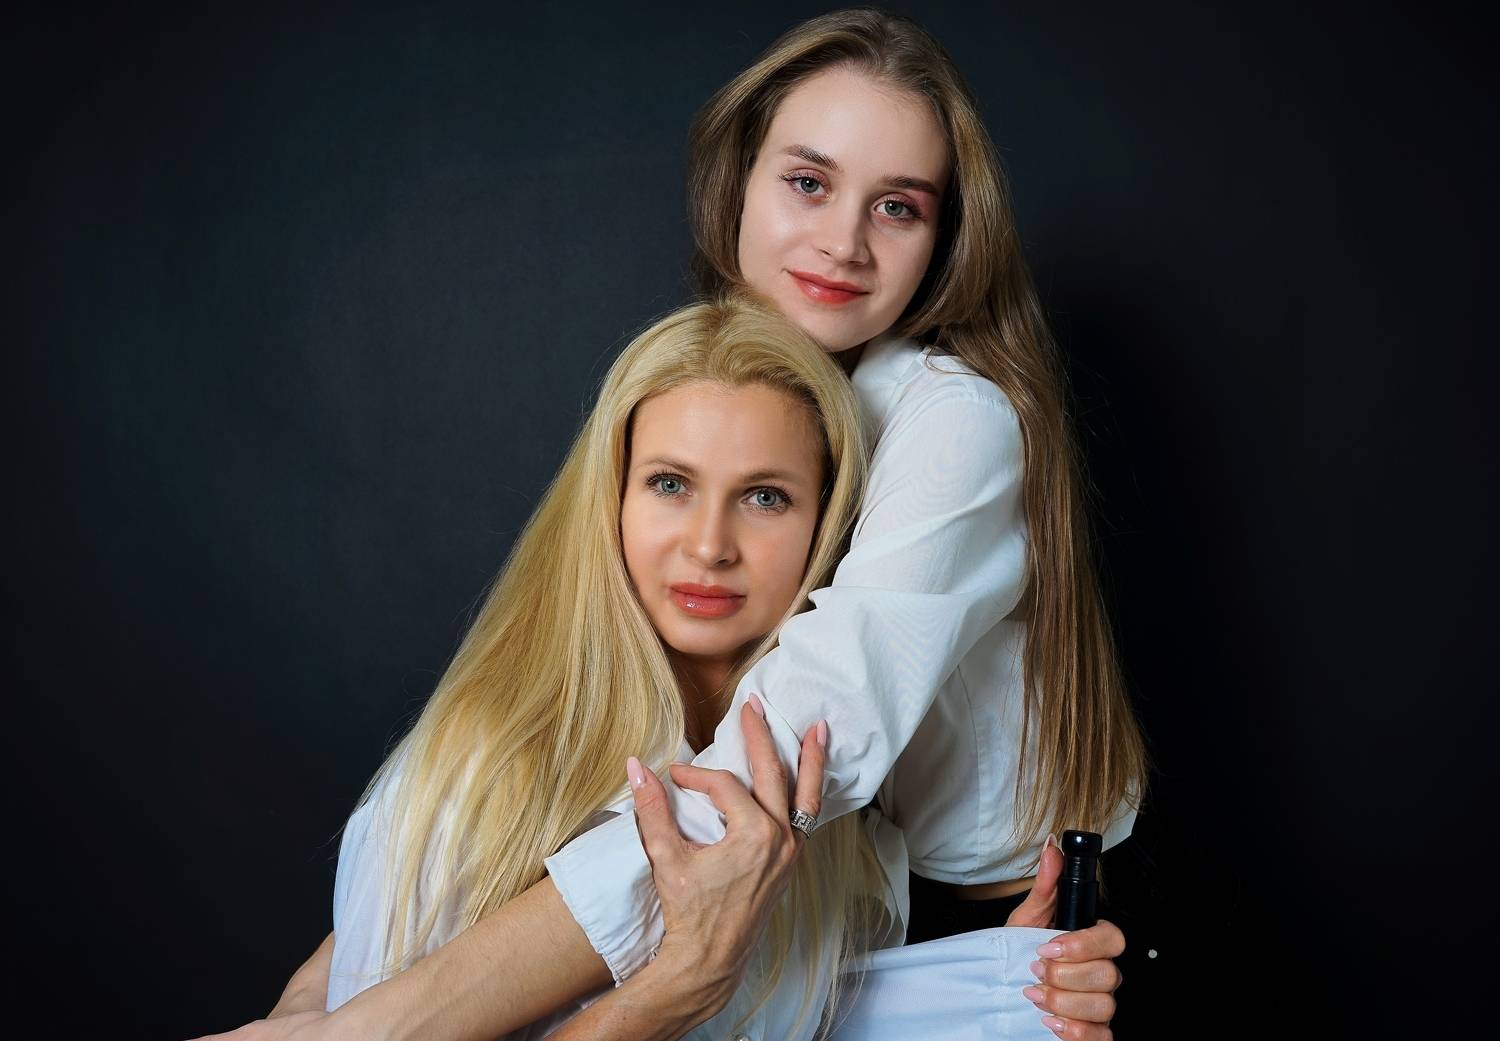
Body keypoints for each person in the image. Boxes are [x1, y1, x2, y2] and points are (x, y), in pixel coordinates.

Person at [198, 8, 1144, 1040]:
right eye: (808, 182)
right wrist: (322, 994)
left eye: (897, 207)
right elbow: (521, 792)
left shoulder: (949, 417)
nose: (843, 242)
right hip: (845, 905)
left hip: (981, 905)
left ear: (943, 238)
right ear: (738, 181)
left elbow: (791, 748)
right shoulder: (727, 389)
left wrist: (367, 1027)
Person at [191, 294, 1089, 1041]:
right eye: (669, 483)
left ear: (828, 526)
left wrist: (999, 992)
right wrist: (669, 990)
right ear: (611, 500)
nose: (709, 545)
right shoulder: (483, 779)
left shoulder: (831, 816)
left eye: (765, 496)